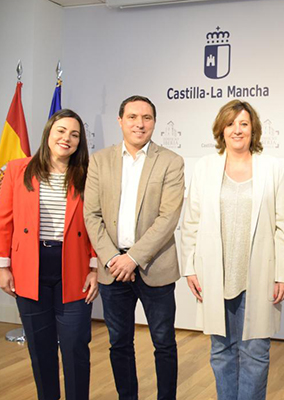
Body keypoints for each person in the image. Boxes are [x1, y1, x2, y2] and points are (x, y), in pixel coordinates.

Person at [180, 100, 284, 400]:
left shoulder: (273, 168)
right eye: (231, 124)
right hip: (215, 276)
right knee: (221, 351)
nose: (237, 130)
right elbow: (191, 222)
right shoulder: (205, 167)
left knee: (256, 353)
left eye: (244, 123)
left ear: (253, 129)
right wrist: (189, 268)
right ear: (221, 129)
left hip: (259, 275)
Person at [0, 109, 98, 400]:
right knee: (40, 348)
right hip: (29, 266)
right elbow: (4, 219)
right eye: (61, 131)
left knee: (76, 346)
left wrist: (94, 267)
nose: (67, 138)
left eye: (74, 134)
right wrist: (2, 266)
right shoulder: (18, 169)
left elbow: (95, 222)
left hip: (73, 267)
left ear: (80, 142)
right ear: (49, 132)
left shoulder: (87, 174)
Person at [83, 95, 184, 400]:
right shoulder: (99, 161)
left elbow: (168, 217)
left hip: (155, 267)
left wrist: (133, 258)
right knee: (119, 344)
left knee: (164, 343)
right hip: (113, 269)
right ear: (120, 121)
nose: (140, 124)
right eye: (132, 117)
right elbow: (92, 215)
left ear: (154, 122)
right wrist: (113, 258)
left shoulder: (171, 161)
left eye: (147, 118)